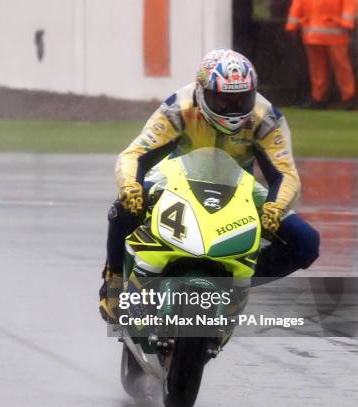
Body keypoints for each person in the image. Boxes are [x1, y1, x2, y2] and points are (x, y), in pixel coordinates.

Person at [99, 48, 320, 323]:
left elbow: (285, 173)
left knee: (306, 242)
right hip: (175, 178)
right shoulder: (178, 107)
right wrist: (130, 186)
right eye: (223, 100)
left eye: (242, 99)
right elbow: (134, 154)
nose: (233, 109)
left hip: (240, 188)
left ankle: (232, 282)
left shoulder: (266, 118)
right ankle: (115, 281)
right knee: (123, 208)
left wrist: (276, 206)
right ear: (202, 91)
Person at [286, 0, 356, 109]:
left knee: (326, 67)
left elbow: (297, 6)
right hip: (331, 31)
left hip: (317, 32)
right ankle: (345, 98)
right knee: (336, 67)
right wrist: (347, 23)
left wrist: (292, 26)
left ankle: (322, 98)